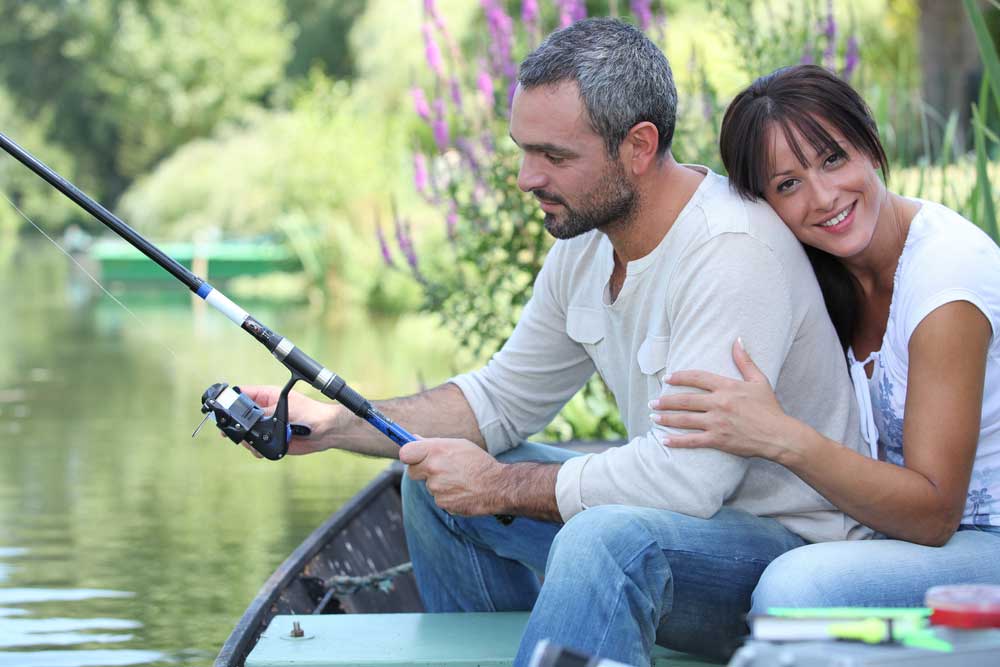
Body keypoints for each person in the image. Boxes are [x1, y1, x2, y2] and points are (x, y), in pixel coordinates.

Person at [244, 23, 873, 666]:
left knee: (606, 539)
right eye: (523, 150)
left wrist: (501, 485)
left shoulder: (731, 251)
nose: (525, 177)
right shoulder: (588, 245)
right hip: (680, 534)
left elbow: (689, 482)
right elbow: (499, 401)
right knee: (432, 476)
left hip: (784, 562)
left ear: (638, 146)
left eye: (554, 156)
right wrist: (327, 424)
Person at [649, 64, 1000, 613]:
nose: (824, 196)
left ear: (870, 142)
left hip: (981, 540)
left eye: (833, 158)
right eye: (788, 184)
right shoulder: (820, 272)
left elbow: (934, 514)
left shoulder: (945, 283)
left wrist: (778, 436)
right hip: (884, 532)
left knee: (798, 589)